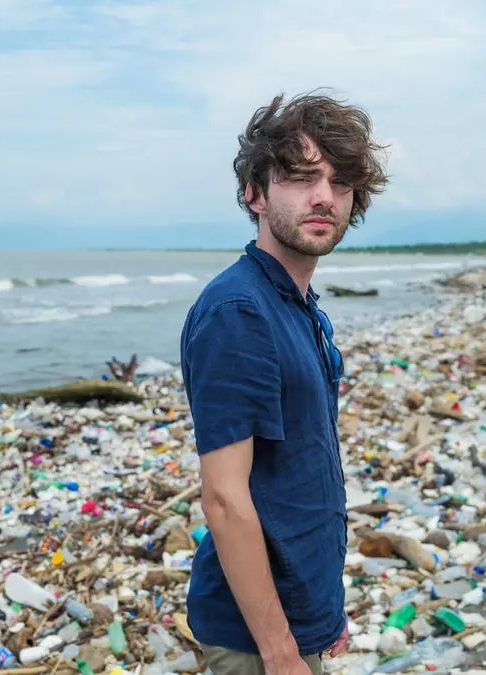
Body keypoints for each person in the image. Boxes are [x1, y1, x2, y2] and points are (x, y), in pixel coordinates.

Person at [179, 90, 390, 675]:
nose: (324, 196)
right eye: (300, 177)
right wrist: (278, 649)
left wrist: (323, 612)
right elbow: (223, 498)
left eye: (340, 182)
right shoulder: (238, 312)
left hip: (297, 613)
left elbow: (299, 471)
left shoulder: (295, 304)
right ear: (255, 193)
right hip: (255, 638)